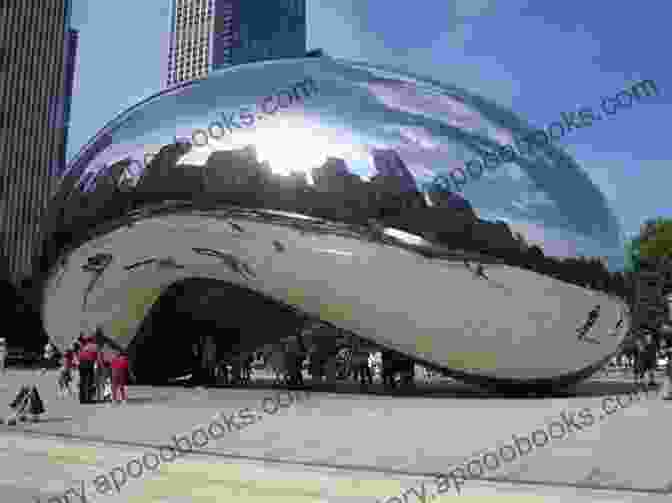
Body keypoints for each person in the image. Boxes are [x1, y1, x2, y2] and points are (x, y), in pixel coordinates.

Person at [77, 334, 98, 403]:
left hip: (81, 364)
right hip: (89, 364)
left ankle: (82, 399)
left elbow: (79, 356)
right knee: (89, 382)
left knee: (82, 381)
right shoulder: (94, 346)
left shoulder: (82, 346)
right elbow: (96, 356)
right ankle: (88, 398)